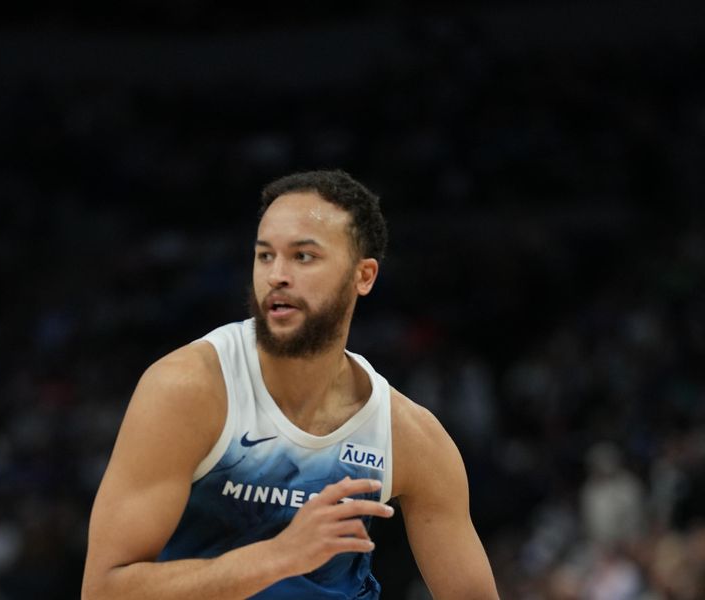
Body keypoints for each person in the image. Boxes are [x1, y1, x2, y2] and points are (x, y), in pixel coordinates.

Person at [81, 170, 499, 599]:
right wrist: (278, 556)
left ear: (364, 276)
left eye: (303, 257)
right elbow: (104, 591)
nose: (277, 275)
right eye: (265, 256)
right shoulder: (191, 389)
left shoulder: (407, 435)